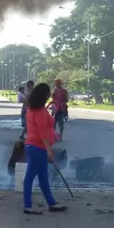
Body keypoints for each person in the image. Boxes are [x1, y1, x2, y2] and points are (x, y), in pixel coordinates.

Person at [23, 83, 67, 215]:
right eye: (48, 94)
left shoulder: (32, 109)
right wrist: (49, 150)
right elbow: (42, 132)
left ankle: (51, 202)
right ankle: (28, 205)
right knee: (30, 176)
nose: (50, 95)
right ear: (44, 95)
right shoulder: (40, 111)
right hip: (38, 147)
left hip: (33, 146)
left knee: (43, 177)